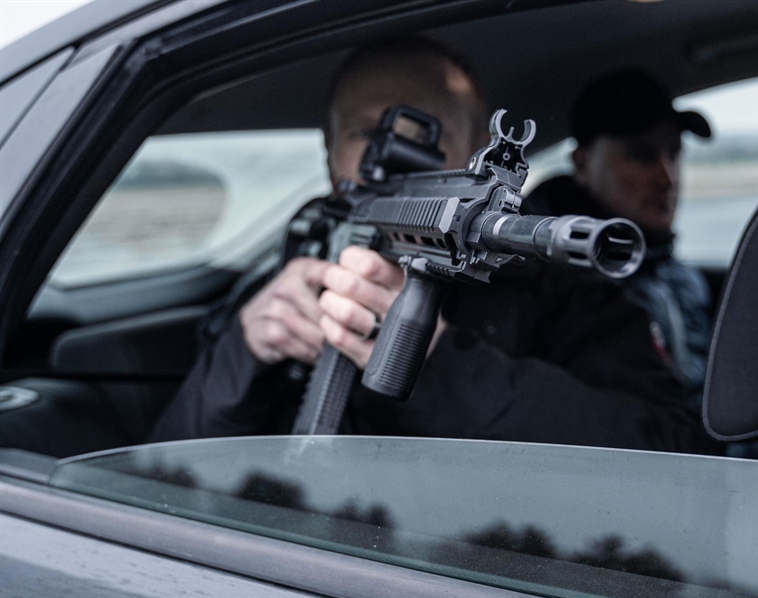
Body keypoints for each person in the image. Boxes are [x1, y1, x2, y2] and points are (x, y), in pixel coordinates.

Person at [151, 39, 716, 454]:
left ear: (476, 150)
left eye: (428, 135)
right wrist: (243, 352)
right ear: (329, 156)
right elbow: (166, 473)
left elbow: (675, 452)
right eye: (368, 133)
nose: (394, 156)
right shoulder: (284, 278)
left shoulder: (555, 289)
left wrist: (441, 365)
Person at [523, 70, 714, 398]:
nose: (667, 179)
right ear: (581, 164)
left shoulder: (680, 278)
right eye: (641, 155)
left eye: (674, 153)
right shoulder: (546, 288)